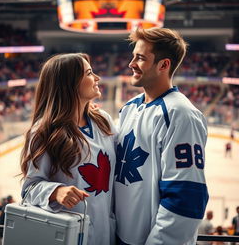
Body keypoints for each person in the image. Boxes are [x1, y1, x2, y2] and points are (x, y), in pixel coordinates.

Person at [114, 27, 209, 245]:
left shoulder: (182, 115)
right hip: (119, 236)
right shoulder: (129, 107)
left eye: (140, 58)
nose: (131, 64)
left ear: (163, 65)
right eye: (133, 56)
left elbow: (186, 197)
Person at [20, 53, 117, 245]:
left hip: (106, 232)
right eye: (89, 73)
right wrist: (55, 191)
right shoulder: (44, 132)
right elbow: (29, 189)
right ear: (69, 84)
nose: (97, 78)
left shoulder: (103, 120)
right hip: (68, 235)